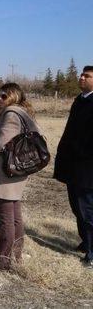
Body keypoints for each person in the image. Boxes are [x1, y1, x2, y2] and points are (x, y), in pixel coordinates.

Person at [0, 83, 40, 270]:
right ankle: (15, 256)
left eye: (4, 96)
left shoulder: (11, 115)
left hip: (6, 172)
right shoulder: (23, 112)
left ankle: (2, 261)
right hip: (16, 170)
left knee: (6, 219)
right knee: (15, 216)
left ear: (13, 97)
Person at [54, 66, 93, 270]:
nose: (82, 77)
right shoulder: (80, 100)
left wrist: (81, 151)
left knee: (87, 208)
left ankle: (92, 251)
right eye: (81, 74)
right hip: (73, 165)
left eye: (87, 76)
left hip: (87, 167)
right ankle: (86, 241)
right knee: (77, 206)